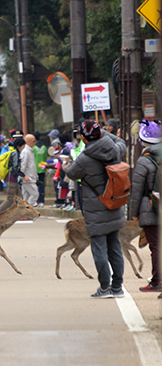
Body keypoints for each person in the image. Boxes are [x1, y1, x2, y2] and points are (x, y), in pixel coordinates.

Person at [66, 120, 127, 299]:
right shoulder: (116, 149)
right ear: (100, 133)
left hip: (96, 208)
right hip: (114, 204)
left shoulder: (84, 159)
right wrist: (103, 133)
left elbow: (71, 173)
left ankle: (104, 287)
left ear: (84, 138)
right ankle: (117, 287)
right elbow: (120, 141)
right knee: (115, 247)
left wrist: (66, 164)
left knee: (99, 248)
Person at [129, 120, 161, 293]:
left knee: (156, 246)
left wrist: (134, 213)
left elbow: (137, 190)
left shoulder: (144, 160)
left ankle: (157, 281)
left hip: (150, 207)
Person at [0, 138, 26, 213]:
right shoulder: (15, 153)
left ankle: (20, 213)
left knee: (19, 197)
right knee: (10, 199)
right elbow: (15, 168)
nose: (24, 147)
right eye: (23, 145)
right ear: (19, 146)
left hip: (11, 178)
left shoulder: (14, 152)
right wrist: (23, 175)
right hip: (11, 178)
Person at [20, 134, 39, 206]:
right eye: (34, 141)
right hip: (28, 178)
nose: (35, 143)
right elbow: (23, 165)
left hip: (29, 177)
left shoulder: (29, 151)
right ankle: (28, 211)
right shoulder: (26, 152)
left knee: (26, 197)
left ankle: (24, 213)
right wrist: (23, 175)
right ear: (28, 142)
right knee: (35, 194)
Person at [32, 131, 47, 207]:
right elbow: (45, 157)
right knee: (42, 185)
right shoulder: (44, 147)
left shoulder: (33, 148)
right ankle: (41, 201)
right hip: (43, 169)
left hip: (35, 169)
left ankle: (36, 201)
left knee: (35, 186)